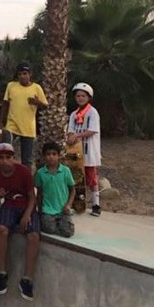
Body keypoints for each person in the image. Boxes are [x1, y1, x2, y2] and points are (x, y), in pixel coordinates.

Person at [0, 142, 40, 301]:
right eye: (1, 158)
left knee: (33, 236)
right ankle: (2, 272)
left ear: (13, 158)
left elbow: (32, 198)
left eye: (8, 158)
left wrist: (27, 215)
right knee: (2, 229)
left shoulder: (23, 171)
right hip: (9, 206)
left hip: (26, 206)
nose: (5, 161)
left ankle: (27, 279)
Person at [0, 62, 47, 167]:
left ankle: (26, 181)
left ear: (30, 74)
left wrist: (37, 102)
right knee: (5, 152)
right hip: (11, 126)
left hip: (28, 128)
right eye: (19, 74)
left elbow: (45, 106)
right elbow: (5, 104)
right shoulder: (11, 86)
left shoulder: (37, 88)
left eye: (24, 73)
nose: (22, 76)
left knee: (27, 160)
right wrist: (1, 123)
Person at [67, 82, 102, 217]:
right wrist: (71, 137)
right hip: (75, 150)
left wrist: (77, 135)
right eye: (78, 96)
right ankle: (75, 204)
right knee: (74, 178)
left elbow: (92, 130)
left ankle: (96, 205)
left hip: (89, 150)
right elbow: (70, 130)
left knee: (91, 178)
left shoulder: (92, 113)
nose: (80, 98)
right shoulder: (74, 114)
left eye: (83, 96)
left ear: (88, 97)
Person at [35, 141, 76, 237]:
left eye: (54, 154)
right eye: (48, 154)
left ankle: (62, 223)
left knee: (68, 232)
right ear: (44, 156)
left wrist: (68, 205)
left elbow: (72, 190)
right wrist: (39, 212)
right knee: (49, 228)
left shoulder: (65, 171)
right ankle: (54, 224)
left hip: (63, 209)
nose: (51, 157)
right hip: (47, 210)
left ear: (59, 156)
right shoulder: (40, 173)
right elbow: (39, 193)